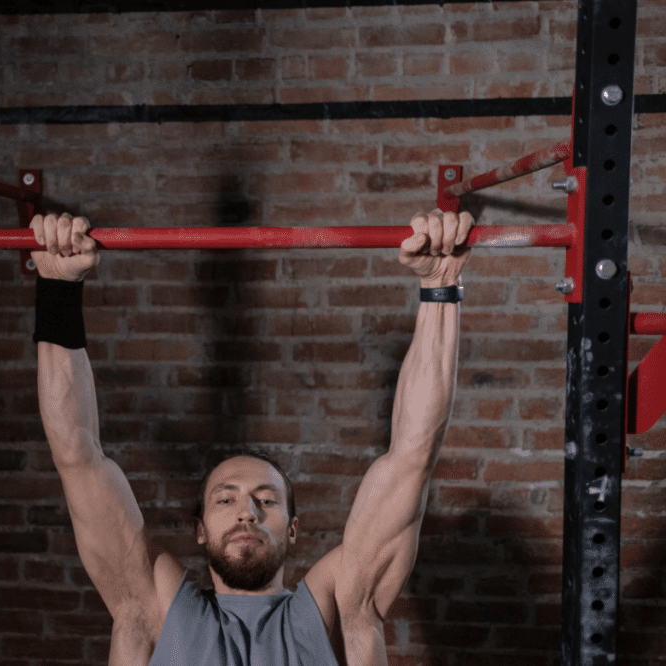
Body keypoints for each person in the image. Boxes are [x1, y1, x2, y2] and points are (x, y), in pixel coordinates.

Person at [29, 208, 474, 666]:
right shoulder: (154, 610)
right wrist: (57, 287)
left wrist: (440, 286)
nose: (247, 511)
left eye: (267, 499)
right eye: (225, 500)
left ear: (294, 529)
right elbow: (76, 454)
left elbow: (412, 457)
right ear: (200, 529)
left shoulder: (336, 611)